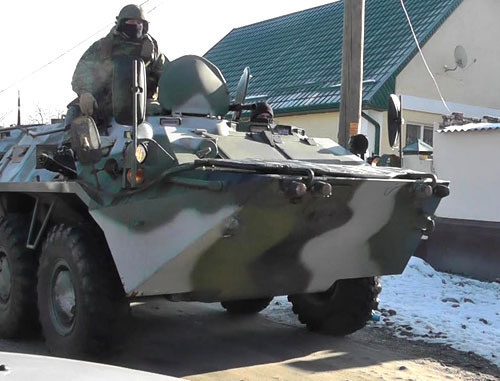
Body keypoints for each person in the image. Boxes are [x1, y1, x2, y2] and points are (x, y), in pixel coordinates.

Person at [70, 4, 167, 128]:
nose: (136, 25)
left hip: (143, 105)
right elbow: (82, 71)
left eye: (139, 22)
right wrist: (85, 92)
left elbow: (168, 76)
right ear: (121, 23)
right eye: (131, 21)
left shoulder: (151, 51)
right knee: (75, 112)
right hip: (106, 103)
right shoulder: (103, 47)